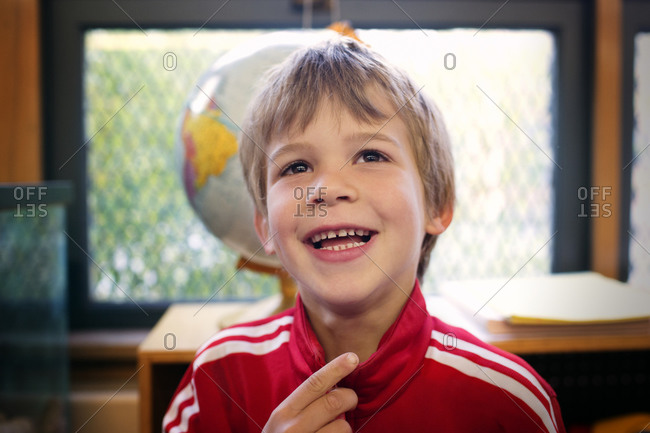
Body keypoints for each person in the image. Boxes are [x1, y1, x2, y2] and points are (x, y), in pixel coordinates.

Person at [163, 37, 566, 433]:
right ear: (265, 226)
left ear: (437, 205)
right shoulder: (214, 377)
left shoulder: (513, 401)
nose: (327, 189)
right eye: (296, 166)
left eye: (371, 156)